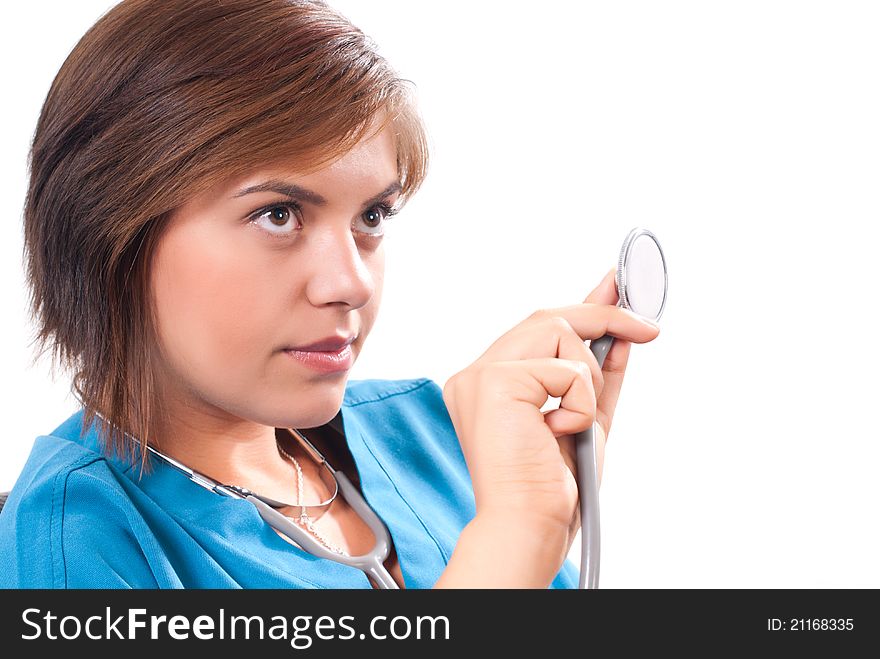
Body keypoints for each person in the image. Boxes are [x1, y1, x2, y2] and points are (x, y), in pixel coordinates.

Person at [0, 0, 660, 589]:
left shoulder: (440, 435)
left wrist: (546, 521)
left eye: (371, 217)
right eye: (279, 214)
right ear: (110, 232)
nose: (351, 282)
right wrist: (514, 541)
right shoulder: (73, 545)